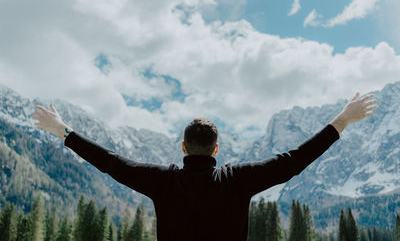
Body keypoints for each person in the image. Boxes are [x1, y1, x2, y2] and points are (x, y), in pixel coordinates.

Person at [33, 92, 377, 241]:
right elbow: (294, 161)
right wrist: (342, 119)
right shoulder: (237, 180)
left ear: (183, 147)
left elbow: (110, 163)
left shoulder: (162, 181)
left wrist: (63, 130)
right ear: (217, 149)